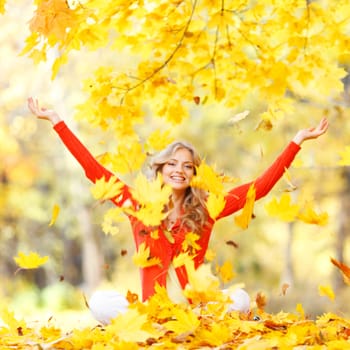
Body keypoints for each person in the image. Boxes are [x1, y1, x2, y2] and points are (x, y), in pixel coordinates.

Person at [28, 97, 329, 324]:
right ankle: (158, 327)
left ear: (194, 174)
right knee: (99, 303)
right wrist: (57, 121)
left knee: (238, 299)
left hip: (195, 308)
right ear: (160, 169)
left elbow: (258, 188)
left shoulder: (207, 209)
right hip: (153, 311)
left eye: (187, 166)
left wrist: (296, 141)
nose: (179, 170)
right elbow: (94, 170)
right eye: (171, 163)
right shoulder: (139, 205)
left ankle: (198, 326)